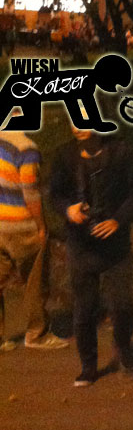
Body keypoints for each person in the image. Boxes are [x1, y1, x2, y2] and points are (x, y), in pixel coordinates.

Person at [49, 129, 133, 386]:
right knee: (84, 307)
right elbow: (55, 195)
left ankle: (124, 350)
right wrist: (69, 210)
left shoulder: (122, 153)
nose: (78, 125)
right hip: (80, 243)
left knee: (122, 303)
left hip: (115, 243)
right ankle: (88, 365)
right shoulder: (64, 155)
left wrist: (118, 220)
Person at [0, 132, 67, 353]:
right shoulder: (25, 149)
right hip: (21, 226)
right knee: (35, 280)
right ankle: (36, 333)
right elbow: (30, 192)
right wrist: (41, 226)